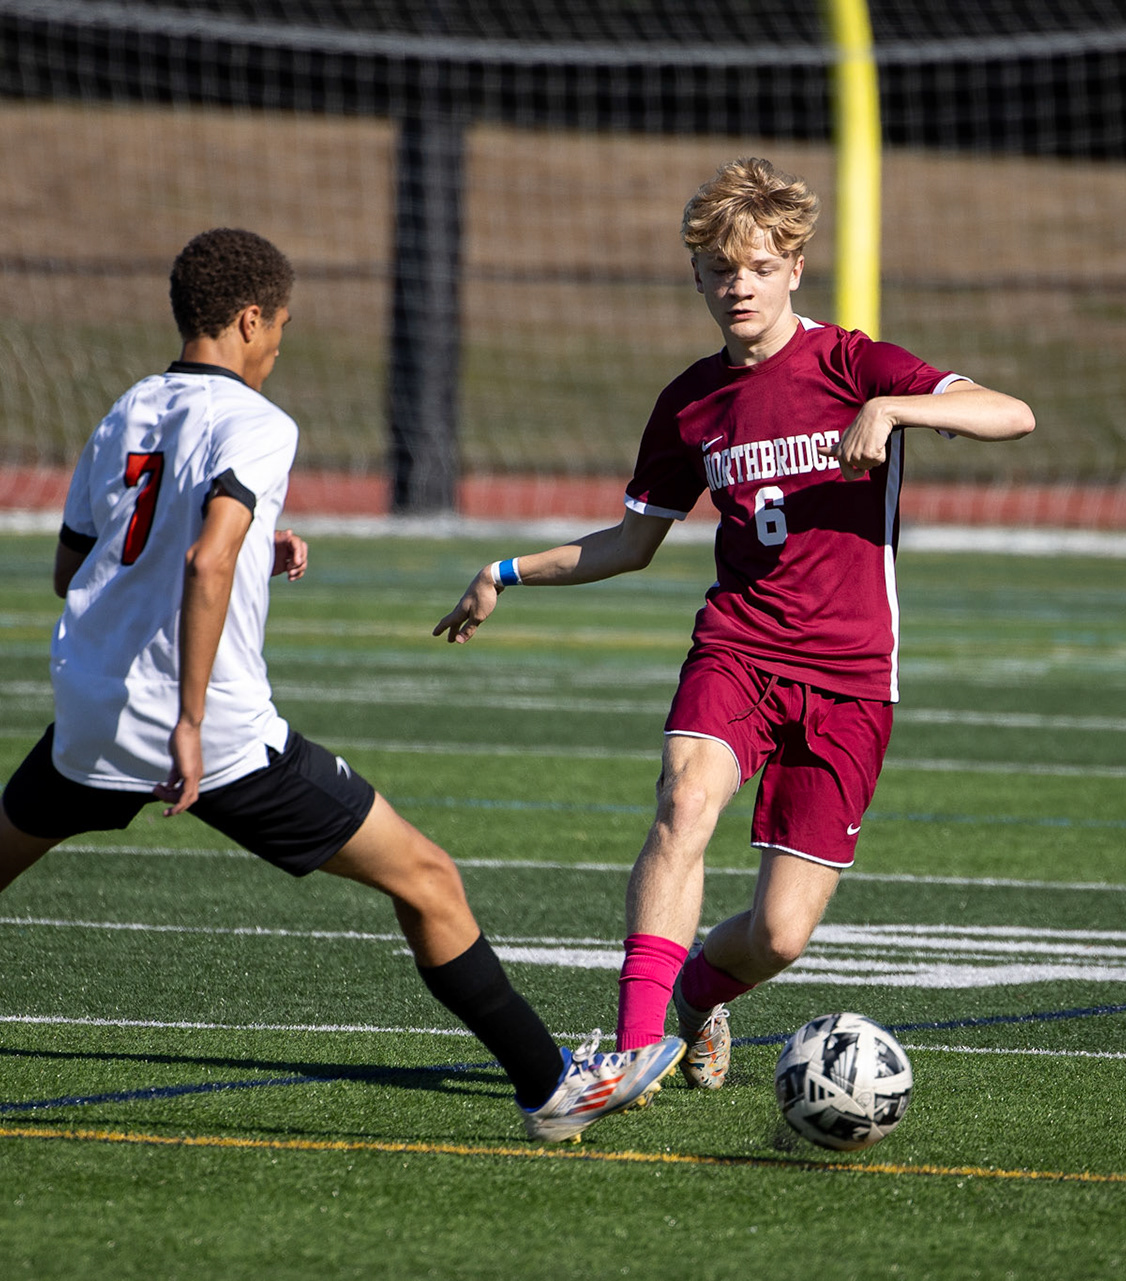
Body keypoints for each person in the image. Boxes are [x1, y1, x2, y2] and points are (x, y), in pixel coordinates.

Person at [0, 228, 683, 1142]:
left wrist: (256, 542)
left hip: (92, 713)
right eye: (282, 331)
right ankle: (550, 1087)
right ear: (253, 320)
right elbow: (204, 560)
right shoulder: (259, 422)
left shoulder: (127, 409)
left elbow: (79, 567)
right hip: (211, 731)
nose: (278, 352)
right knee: (428, 878)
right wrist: (189, 717)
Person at [433, 159, 1033, 1088]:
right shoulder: (690, 401)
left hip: (850, 679)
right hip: (738, 649)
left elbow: (1013, 413)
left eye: (757, 265)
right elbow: (632, 543)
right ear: (699, 280)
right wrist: (505, 571)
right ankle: (633, 1051)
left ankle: (698, 996)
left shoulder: (852, 363)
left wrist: (895, 406)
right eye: (720, 270)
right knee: (683, 802)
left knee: (781, 933)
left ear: (796, 267)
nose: (738, 285)